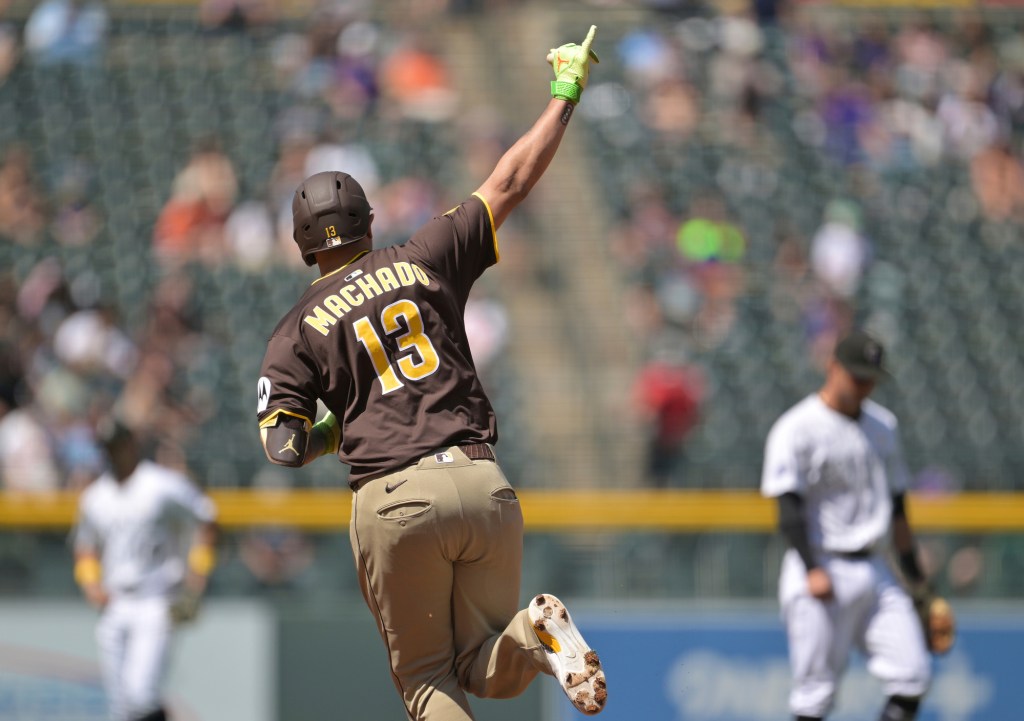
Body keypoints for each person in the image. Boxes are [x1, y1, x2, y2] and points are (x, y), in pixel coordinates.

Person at [255, 26, 607, 720]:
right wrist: (564, 94)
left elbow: (284, 445)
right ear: (367, 220)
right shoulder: (424, 255)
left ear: (303, 245)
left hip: (394, 495)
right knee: (485, 667)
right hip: (483, 483)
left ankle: (532, 636)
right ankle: (536, 632)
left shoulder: (295, 329)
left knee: (425, 682)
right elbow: (509, 180)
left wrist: (331, 428)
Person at [761, 329, 933, 721]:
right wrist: (812, 568)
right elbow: (788, 509)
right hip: (822, 566)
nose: (863, 385)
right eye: (855, 375)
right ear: (832, 366)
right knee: (814, 697)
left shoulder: (883, 426)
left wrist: (920, 585)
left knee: (913, 676)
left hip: (875, 567)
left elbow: (898, 508)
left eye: (869, 378)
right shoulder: (797, 427)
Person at [73, 418, 218, 721]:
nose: (113, 454)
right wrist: (91, 585)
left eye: (117, 446)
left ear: (131, 445)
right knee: (120, 704)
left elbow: (206, 520)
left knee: (141, 695)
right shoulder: (96, 497)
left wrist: (196, 579)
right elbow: (85, 546)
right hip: (115, 601)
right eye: (107, 448)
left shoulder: (161, 485)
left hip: (157, 598)